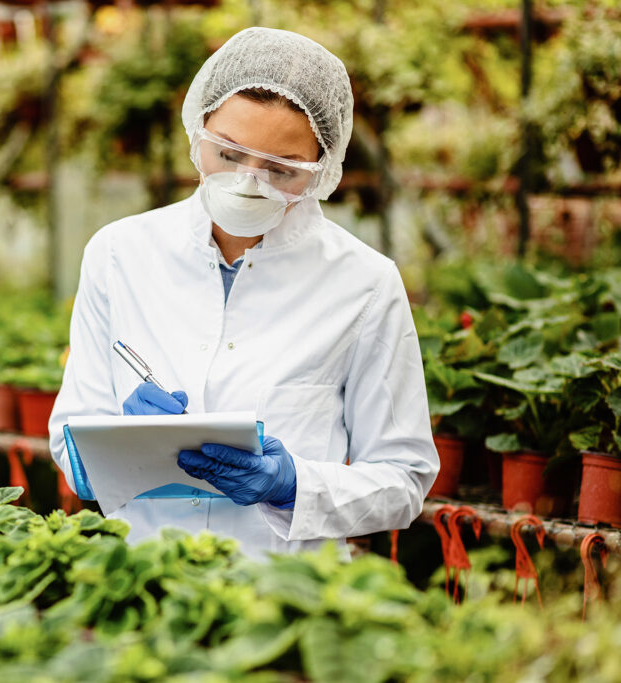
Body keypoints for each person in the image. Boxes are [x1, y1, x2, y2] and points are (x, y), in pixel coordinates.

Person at [48, 27, 438, 559]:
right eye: (228, 154)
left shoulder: (364, 283)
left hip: (285, 594)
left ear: (322, 171)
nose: (249, 182)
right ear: (197, 130)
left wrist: (293, 483)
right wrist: (118, 442)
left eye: (280, 169)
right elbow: (70, 440)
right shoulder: (119, 254)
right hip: (142, 575)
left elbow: (403, 478)